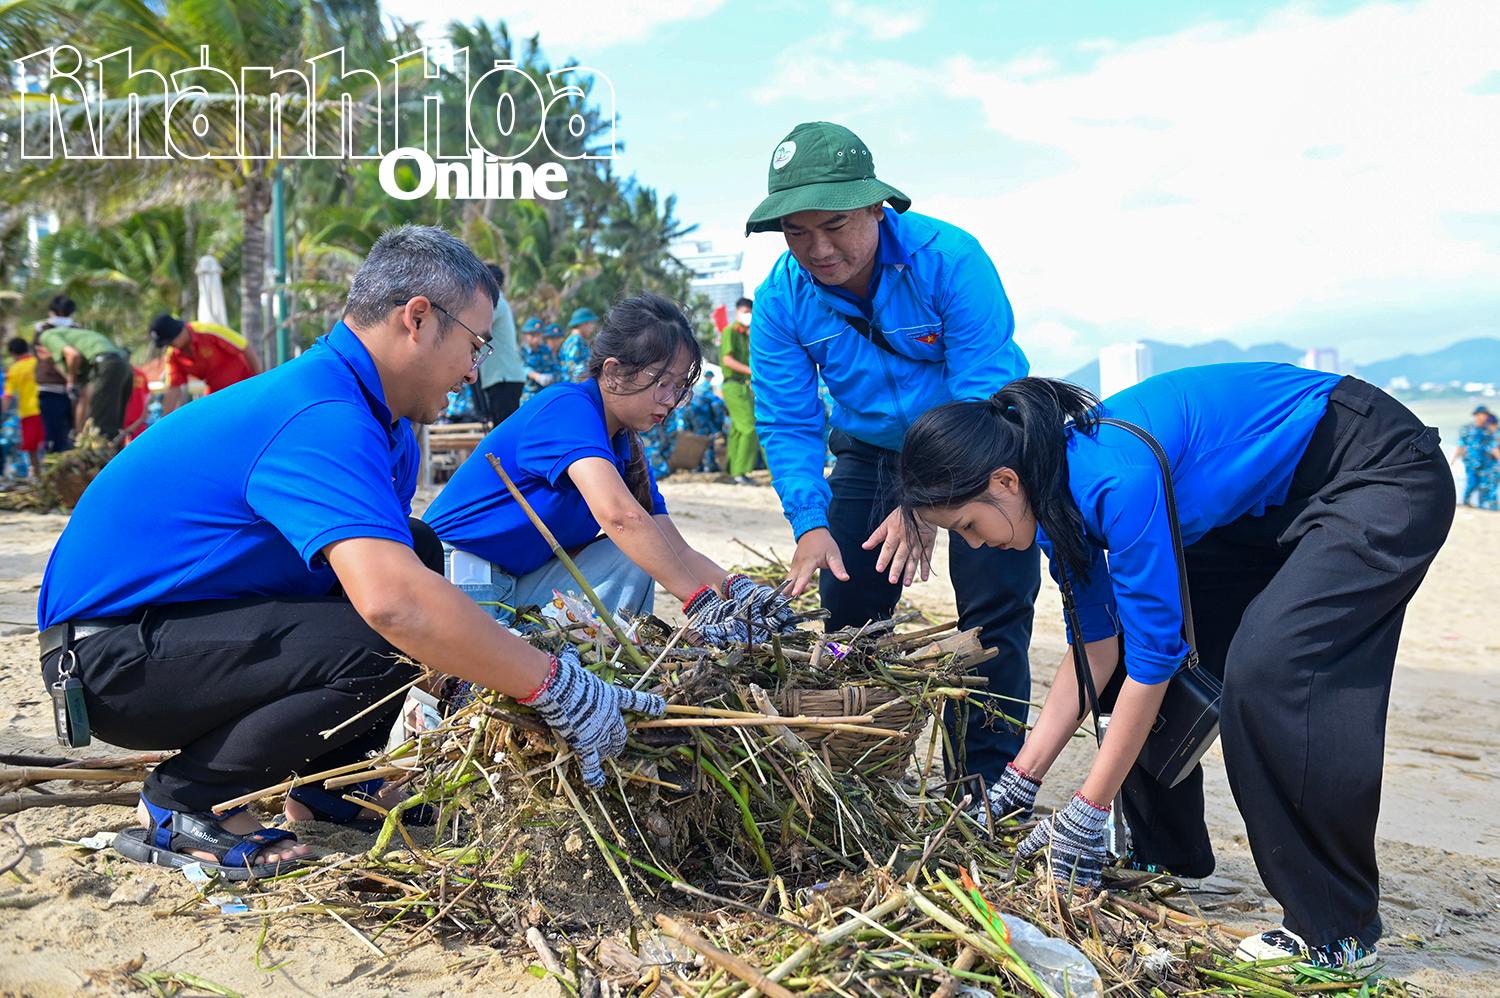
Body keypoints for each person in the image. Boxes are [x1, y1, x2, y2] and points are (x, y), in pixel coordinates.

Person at [37, 225, 667, 880]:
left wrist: (470, 668)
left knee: (417, 549)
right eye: (474, 345)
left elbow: (389, 576)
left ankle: (330, 787)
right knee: (396, 627)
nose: (475, 370)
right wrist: (554, 685)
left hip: (174, 637)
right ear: (417, 319)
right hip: (106, 660)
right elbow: (393, 605)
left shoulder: (379, 422)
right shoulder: (321, 413)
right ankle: (185, 804)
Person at [894, 363, 1453, 974]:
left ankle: (1336, 930)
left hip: (1376, 470)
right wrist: (1016, 783)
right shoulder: (1049, 493)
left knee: (1274, 670)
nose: (974, 545)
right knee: (1130, 654)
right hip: (1257, 508)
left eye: (968, 526)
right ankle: (1165, 854)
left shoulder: (1114, 480)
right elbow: (1097, 654)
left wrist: (1086, 809)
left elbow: (1155, 663)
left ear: (1004, 480)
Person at [745, 120, 1038, 786]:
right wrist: (809, 526)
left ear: (878, 207)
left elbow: (983, 397)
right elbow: (789, 422)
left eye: (836, 224)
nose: (816, 249)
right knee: (849, 618)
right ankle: (861, 782)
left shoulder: (951, 259)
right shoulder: (780, 301)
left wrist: (924, 502)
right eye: (796, 231)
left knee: (994, 615)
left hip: (982, 442)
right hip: (871, 452)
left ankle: (984, 791)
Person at [423, 292, 795, 646]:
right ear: (614, 372)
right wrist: (700, 604)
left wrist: (739, 591)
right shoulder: (568, 408)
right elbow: (621, 517)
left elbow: (670, 546)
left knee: (642, 553)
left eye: (678, 388)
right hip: (461, 575)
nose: (670, 401)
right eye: (662, 383)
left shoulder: (625, 444)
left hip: (518, 580)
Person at [36, 318, 132, 441]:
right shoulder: (82, 344)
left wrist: (70, 382)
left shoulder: (47, 335)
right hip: (123, 366)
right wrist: (78, 432)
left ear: (39, 349)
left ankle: (102, 456)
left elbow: (73, 355)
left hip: (106, 364)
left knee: (101, 430)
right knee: (114, 428)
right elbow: (83, 396)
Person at [149, 314, 261, 415]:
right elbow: (173, 389)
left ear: (178, 332)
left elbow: (245, 347)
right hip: (219, 395)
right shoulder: (173, 355)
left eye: (170, 341)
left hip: (246, 386)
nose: (170, 345)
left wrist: (260, 382)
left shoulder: (208, 331)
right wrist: (163, 423)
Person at [475, 264, 526, 424]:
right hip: (502, 378)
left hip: (504, 379)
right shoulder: (497, 302)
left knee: (503, 431)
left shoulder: (494, 303)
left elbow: (473, 327)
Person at [719, 298, 761, 485]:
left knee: (737, 429)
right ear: (737, 312)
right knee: (749, 427)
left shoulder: (746, 334)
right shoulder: (730, 331)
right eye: (745, 311)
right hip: (733, 384)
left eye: (750, 312)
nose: (748, 315)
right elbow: (727, 360)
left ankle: (732, 471)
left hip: (742, 385)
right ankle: (741, 472)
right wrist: (750, 371)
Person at [32, 295, 76, 453]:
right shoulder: (76, 329)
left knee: (56, 435)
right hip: (70, 389)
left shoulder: (42, 329)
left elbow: (41, 355)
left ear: (51, 311)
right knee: (68, 435)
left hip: (52, 388)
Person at [4, 338, 44, 478]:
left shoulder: (14, 370)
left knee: (32, 448)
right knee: (47, 444)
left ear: (12, 353)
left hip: (28, 412)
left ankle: (39, 477)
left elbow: (7, 396)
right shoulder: (38, 362)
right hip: (44, 408)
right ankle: (50, 474)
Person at [681, 370, 727, 473]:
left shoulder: (697, 387)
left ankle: (696, 466)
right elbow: (716, 404)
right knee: (706, 439)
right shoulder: (708, 388)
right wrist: (717, 426)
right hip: (702, 413)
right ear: (710, 377)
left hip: (689, 411)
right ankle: (708, 465)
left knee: (694, 439)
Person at [1453, 406, 1495, 508]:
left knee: (1484, 485)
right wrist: (1454, 459)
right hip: (1471, 462)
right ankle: (1466, 503)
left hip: (1486, 462)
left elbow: (1493, 446)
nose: (1484, 417)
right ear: (1476, 415)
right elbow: (1461, 444)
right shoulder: (1467, 429)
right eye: (1482, 414)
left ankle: (1483, 506)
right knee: (1472, 483)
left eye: (1485, 415)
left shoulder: (1488, 430)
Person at [520, 318, 561, 402]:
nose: (536, 338)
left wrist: (552, 377)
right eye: (532, 335)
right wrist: (537, 376)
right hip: (529, 396)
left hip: (546, 394)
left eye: (539, 335)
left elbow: (555, 367)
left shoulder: (546, 350)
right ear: (525, 335)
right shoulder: (522, 352)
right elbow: (522, 368)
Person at [559, 306, 600, 383]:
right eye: (591, 324)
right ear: (584, 324)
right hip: (575, 388)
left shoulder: (579, 340)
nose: (593, 327)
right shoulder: (575, 341)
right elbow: (576, 371)